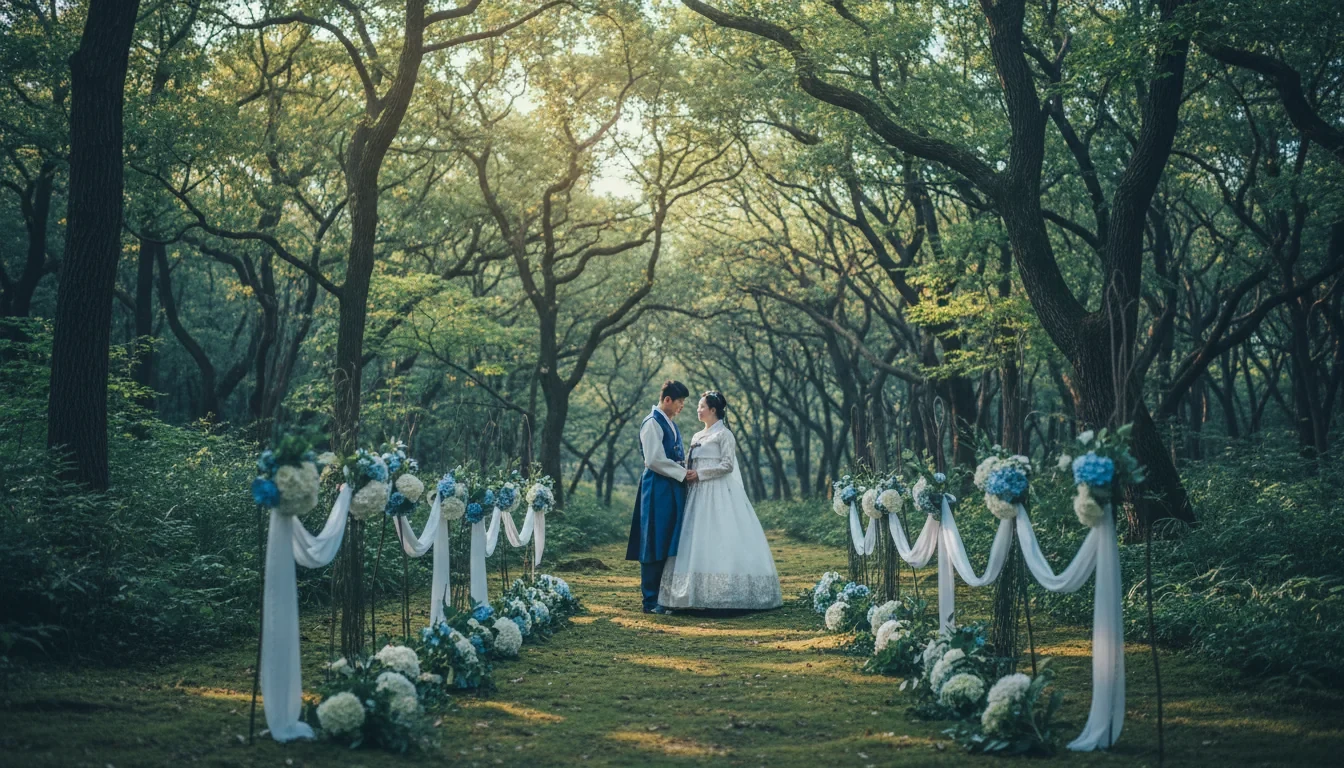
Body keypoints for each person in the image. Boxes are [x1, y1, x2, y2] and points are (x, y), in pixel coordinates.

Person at [659, 390, 783, 610]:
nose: (698, 410)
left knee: (720, 536)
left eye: (702, 406)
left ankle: (725, 593)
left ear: (713, 410)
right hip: (696, 494)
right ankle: (691, 593)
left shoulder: (724, 435)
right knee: (695, 537)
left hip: (717, 492)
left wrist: (701, 474)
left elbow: (727, 465)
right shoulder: (697, 436)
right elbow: (690, 462)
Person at [625, 380, 696, 614]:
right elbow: (653, 459)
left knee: (668, 538)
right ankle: (650, 600)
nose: (682, 406)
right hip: (657, 486)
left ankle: (664, 597)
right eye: (679, 401)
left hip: (671, 485)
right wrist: (682, 473)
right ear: (667, 400)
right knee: (653, 539)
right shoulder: (652, 423)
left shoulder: (670, 423)